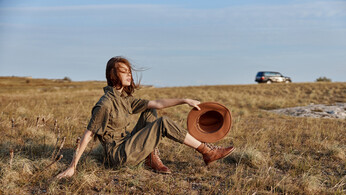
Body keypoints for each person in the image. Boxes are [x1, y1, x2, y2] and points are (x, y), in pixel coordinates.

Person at [56, 56, 235, 178]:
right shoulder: (105, 103)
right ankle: (207, 152)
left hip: (126, 144)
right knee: (163, 123)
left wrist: (184, 100)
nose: (129, 75)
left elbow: (156, 103)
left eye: (129, 71)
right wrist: (72, 166)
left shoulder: (124, 99)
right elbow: (88, 134)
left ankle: (150, 157)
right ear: (113, 75)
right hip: (118, 156)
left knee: (150, 110)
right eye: (124, 71)